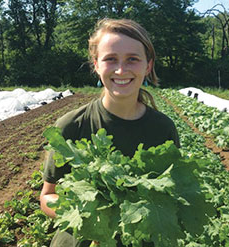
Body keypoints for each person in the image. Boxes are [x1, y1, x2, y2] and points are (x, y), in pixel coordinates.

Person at [40, 18, 180, 247]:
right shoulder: (71, 126)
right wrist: (88, 216)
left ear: (148, 66)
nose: (121, 70)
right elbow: (47, 196)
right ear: (96, 64)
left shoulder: (163, 129)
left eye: (132, 59)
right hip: (80, 237)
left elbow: (170, 195)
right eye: (111, 59)